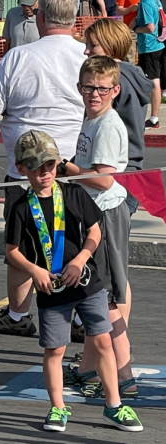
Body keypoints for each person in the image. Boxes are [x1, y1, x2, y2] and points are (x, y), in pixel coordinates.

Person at [6, 129, 143, 433]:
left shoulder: (74, 193)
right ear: (21, 168)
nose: (45, 172)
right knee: (55, 350)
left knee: (103, 340)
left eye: (50, 165)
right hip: (51, 287)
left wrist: (81, 259)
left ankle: (114, 405)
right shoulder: (21, 207)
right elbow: (11, 250)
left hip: (87, 282)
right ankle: (57, 407)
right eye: (36, 167)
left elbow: (95, 231)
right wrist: (35, 271)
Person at [0, 0, 86, 336]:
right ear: (75, 21)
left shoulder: (19, 56)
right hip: (74, 164)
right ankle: (80, 316)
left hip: (25, 169)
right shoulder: (86, 56)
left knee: (21, 243)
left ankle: (17, 314)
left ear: (40, 18)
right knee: (74, 240)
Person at [62, 56, 138, 400]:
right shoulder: (92, 118)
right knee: (98, 295)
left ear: (115, 91)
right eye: (88, 87)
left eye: (102, 89)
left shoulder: (107, 124)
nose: (94, 94)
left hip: (106, 213)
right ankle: (89, 369)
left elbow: (105, 179)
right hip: (95, 211)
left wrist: (66, 169)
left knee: (105, 299)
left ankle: (123, 375)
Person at [81, 19, 153, 341]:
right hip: (124, 174)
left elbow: (116, 141)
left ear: (110, 46)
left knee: (112, 275)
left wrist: (75, 170)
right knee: (113, 272)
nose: (86, 51)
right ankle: (106, 345)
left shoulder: (115, 83)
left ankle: (115, 345)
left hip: (117, 180)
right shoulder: (131, 76)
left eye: (92, 45)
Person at [129, 0, 164, 129]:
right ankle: (152, 117)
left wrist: (134, 28)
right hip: (157, 44)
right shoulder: (156, 1)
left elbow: (150, 28)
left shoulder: (146, 3)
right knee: (150, 80)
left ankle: (154, 119)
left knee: (153, 82)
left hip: (149, 47)